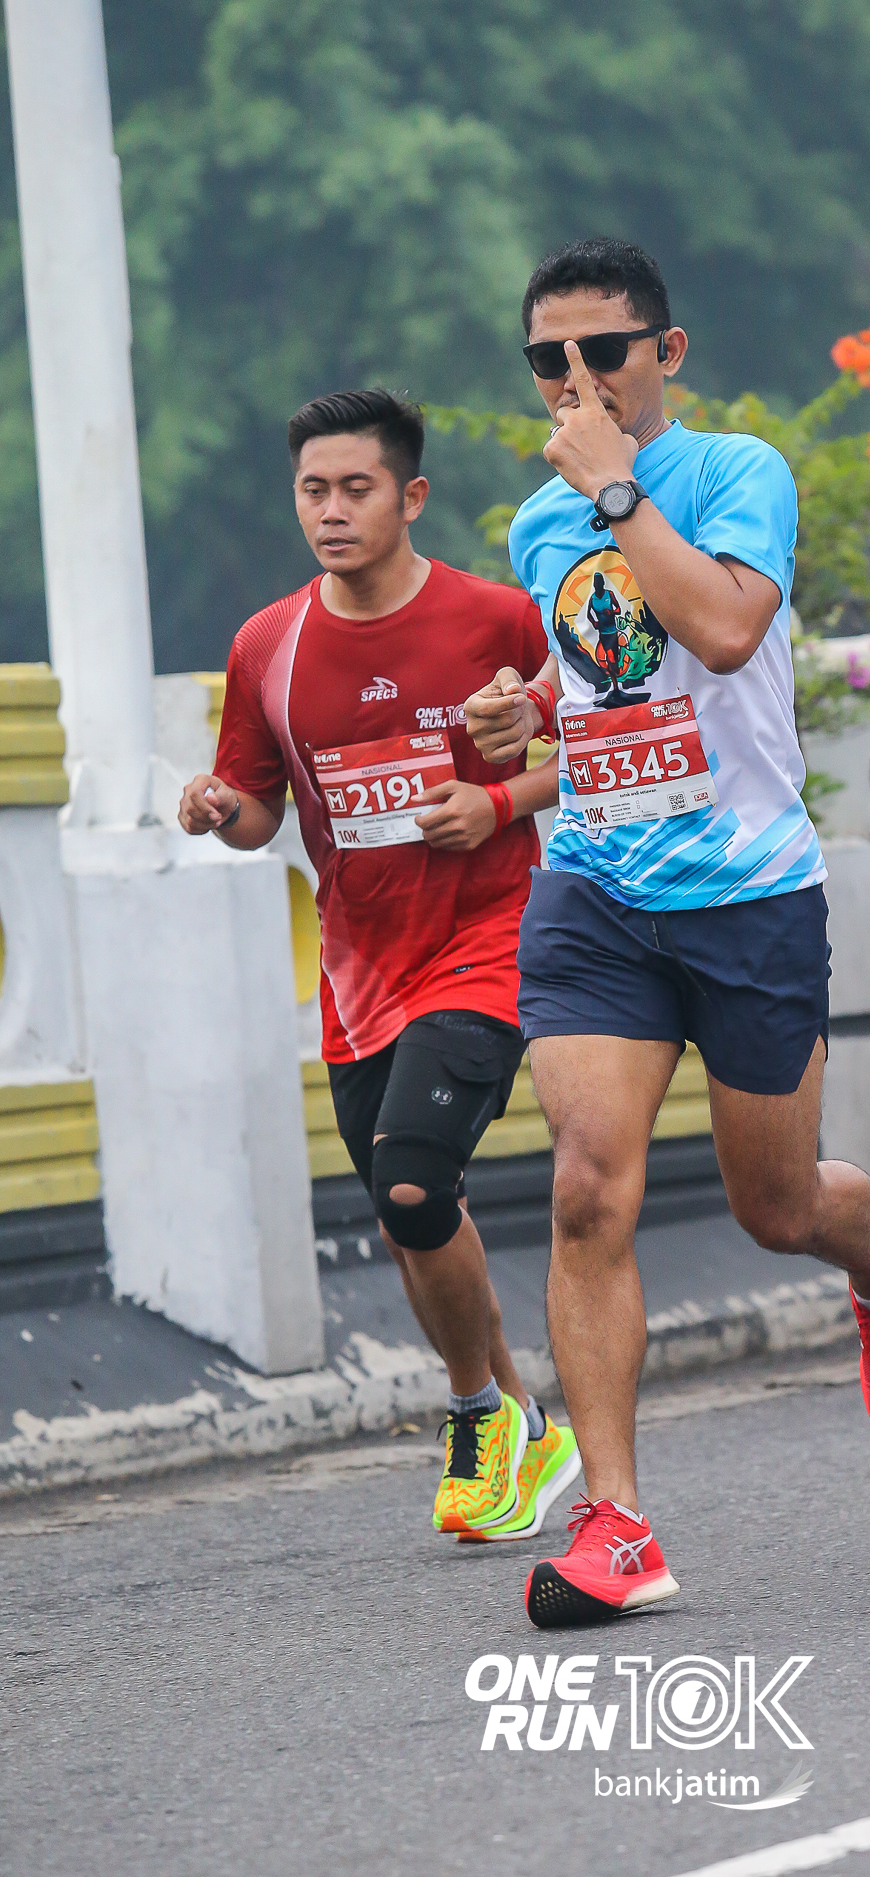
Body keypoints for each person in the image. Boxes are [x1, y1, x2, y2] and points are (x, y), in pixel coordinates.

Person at [466, 238, 870, 1630]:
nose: (575, 380)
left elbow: (728, 632)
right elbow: (601, 684)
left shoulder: (736, 473)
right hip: (597, 891)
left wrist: (614, 489)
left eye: (600, 351)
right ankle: (616, 1525)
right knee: (585, 1188)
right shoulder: (539, 522)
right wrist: (523, 716)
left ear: (664, 353)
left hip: (744, 893)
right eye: (547, 360)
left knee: (774, 1207)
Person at [177, 387, 579, 1542]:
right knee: (416, 1218)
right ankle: (523, 1425)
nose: (331, 511)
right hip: (360, 976)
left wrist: (498, 801)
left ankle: (472, 1415)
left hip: (488, 942)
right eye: (313, 490)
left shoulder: (498, 618)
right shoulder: (268, 645)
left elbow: (604, 743)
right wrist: (220, 812)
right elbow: (261, 810)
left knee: (410, 1179)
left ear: (411, 497)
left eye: (356, 488)